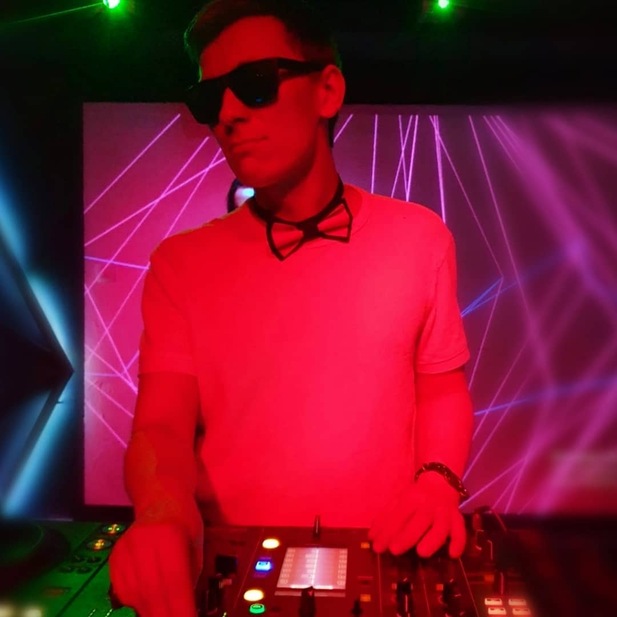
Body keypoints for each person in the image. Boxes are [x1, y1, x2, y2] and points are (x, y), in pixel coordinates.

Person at [108, 0, 474, 615]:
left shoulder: (421, 238)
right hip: (235, 574)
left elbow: (440, 389)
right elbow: (161, 426)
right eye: (210, 98)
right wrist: (162, 516)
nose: (228, 114)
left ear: (327, 90)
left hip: (387, 561)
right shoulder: (179, 264)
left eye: (254, 84)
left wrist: (438, 483)